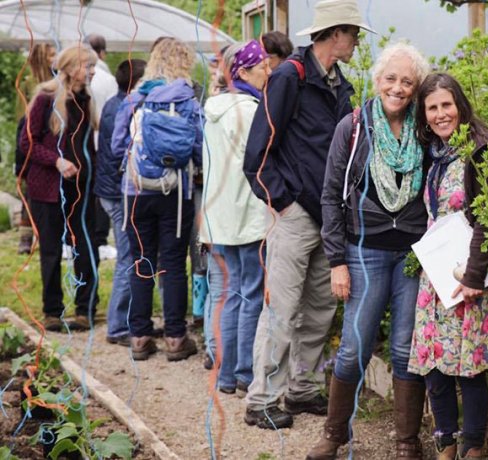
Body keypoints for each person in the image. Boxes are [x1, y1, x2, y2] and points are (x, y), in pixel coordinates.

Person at [243, 0, 375, 430]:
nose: (356, 41)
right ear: (335, 35)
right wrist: (284, 202)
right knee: (281, 309)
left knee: (318, 308)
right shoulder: (289, 78)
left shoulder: (341, 87)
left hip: (329, 216)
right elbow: (257, 152)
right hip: (296, 213)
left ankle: (301, 389)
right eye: (353, 33)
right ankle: (261, 399)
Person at [307, 42, 431, 460]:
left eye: (407, 81)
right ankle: (333, 434)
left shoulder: (425, 128)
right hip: (365, 252)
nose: (397, 87)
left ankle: (406, 443)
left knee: (404, 349)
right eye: (391, 78)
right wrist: (336, 260)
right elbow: (329, 196)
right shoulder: (354, 127)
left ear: (416, 89)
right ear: (377, 81)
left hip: (414, 255)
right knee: (355, 346)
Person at [408, 73, 488, 459]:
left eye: (446, 105)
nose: (440, 115)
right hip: (436, 273)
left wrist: (472, 275)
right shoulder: (435, 152)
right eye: (432, 108)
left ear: (460, 106)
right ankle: (445, 443)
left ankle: (472, 447)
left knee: (469, 365)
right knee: (435, 363)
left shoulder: (482, 150)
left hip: (469, 272)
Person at [111, 37, 202, 361]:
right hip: (175, 194)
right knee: (174, 265)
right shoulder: (188, 100)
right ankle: (176, 338)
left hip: (135, 191)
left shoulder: (136, 97)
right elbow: (198, 146)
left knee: (141, 261)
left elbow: (116, 145)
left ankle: (139, 337)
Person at [200, 40, 271, 395]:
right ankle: (244, 373)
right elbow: (256, 164)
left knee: (228, 295)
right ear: (242, 72)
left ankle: (225, 374)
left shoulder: (213, 109)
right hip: (248, 216)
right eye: (263, 67)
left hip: (218, 218)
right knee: (251, 294)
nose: (268, 73)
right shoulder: (249, 111)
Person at [19, 45, 100, 332]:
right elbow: (27, 143)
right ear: (69, 67)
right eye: (87, 66)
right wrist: (56, 161)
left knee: (85, 246)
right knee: (51, 250)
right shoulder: (46, 98)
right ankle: (52, 312)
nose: (92, 71)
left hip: (81, 189)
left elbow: (88, 144)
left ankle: (85, 309)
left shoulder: (85, 99)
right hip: (48, 189)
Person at [94, 58, 147, 346]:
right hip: (117, 193)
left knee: (132, 254)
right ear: (136, 83)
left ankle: (126, 319)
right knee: (128, 256)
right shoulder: (124, 109)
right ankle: (117, 326)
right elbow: (120, 155)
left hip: (112, 191)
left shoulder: (117, 103)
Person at [14, 43, 56, 255]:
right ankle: (25, 237)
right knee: (29, 188)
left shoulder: (56, 81)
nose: (55, 58)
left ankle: (43, 235)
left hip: (46, 138)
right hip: (30, 136)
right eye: (51, 55)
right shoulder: (30, 83)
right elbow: (22, 116)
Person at [85, 34, 118, 260]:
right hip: (102, 140)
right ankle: (99, 238)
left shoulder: (78, 76)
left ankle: (78, 238)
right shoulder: (107, 78)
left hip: (81, 142)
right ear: (103, 53)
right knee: (101, 191)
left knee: (84, 191)